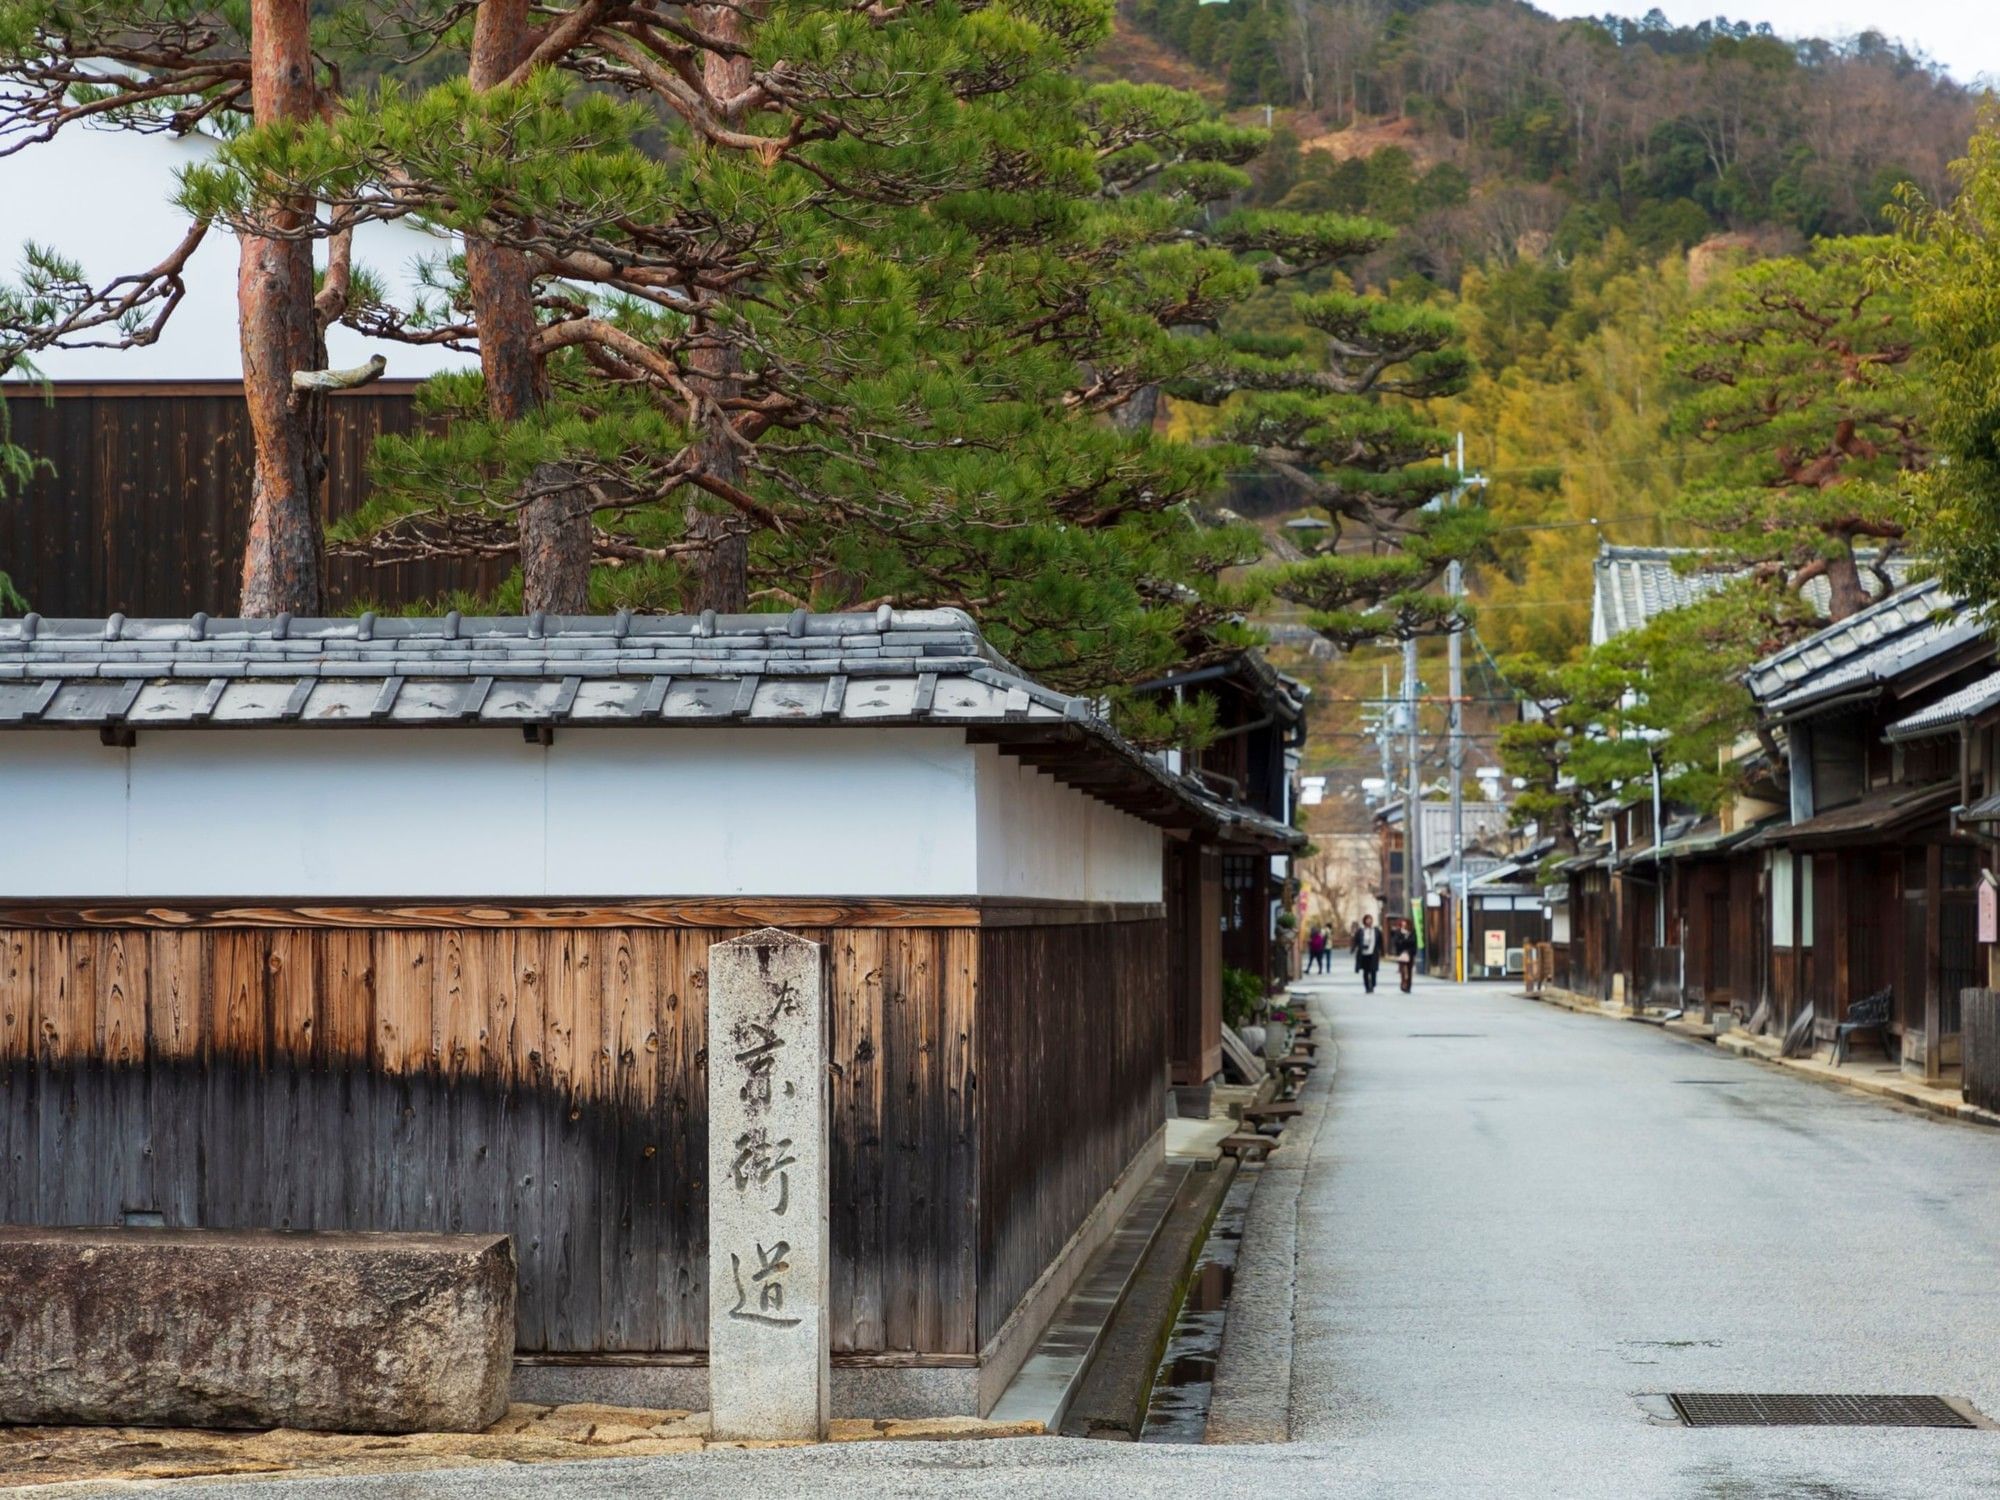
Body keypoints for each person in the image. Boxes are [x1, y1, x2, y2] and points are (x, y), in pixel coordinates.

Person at [1351, 912, 1382, 993]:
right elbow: (1356, 940)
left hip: (1373, 953)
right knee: (1365, 971)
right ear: (1364, 921)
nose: (1369, 921)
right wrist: (1353, 948)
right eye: (1367, 920)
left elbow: (1380, 941)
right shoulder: (1361, 931)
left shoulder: (1376, 930)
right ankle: (1367, 987)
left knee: (1373, 970)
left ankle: (1373, 984)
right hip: (1364, 953)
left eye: (1370, 920)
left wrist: (1382, 951)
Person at [1391, 919, 1418, 993]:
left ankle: (1408, 986)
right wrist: (1404, 942)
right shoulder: (1398, 932)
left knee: (1409, 970)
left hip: (1410, 953)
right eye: (1402, 924)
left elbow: (1413, 942)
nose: (1404, 926)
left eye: (1405, 924)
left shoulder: (1412, 932)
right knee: (1402, 970)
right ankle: (1403, 983)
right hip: (1401, 953)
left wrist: (1403, 942)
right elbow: (1396, 941)